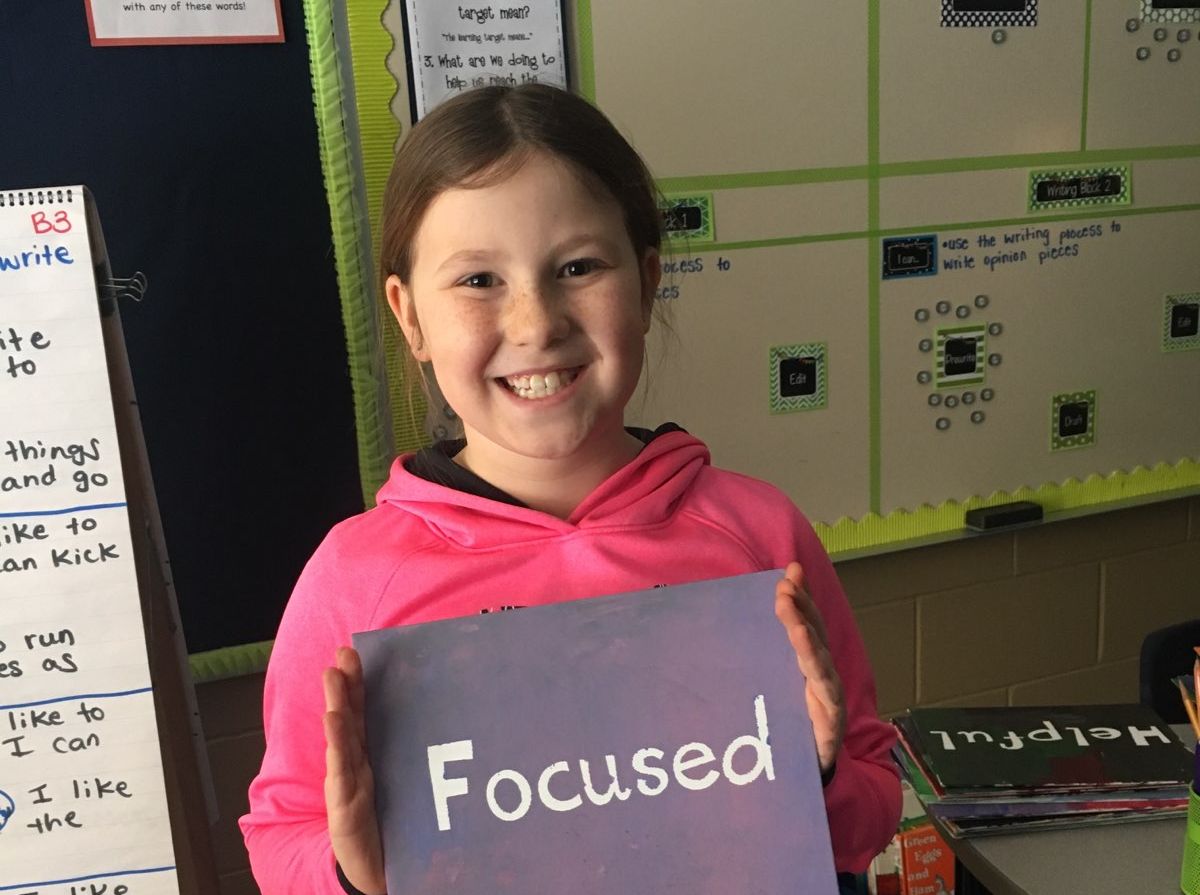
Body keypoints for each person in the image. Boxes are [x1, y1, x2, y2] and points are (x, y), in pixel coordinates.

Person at [240, 83, 901, 895]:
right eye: (478, 280)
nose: (535, 323)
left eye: (578, 267)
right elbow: (281, 836)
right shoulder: (356, 577)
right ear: (409, 316)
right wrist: (351, 872)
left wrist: (820, 777)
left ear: (648, 279)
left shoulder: (759, 536)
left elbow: (872, 798)